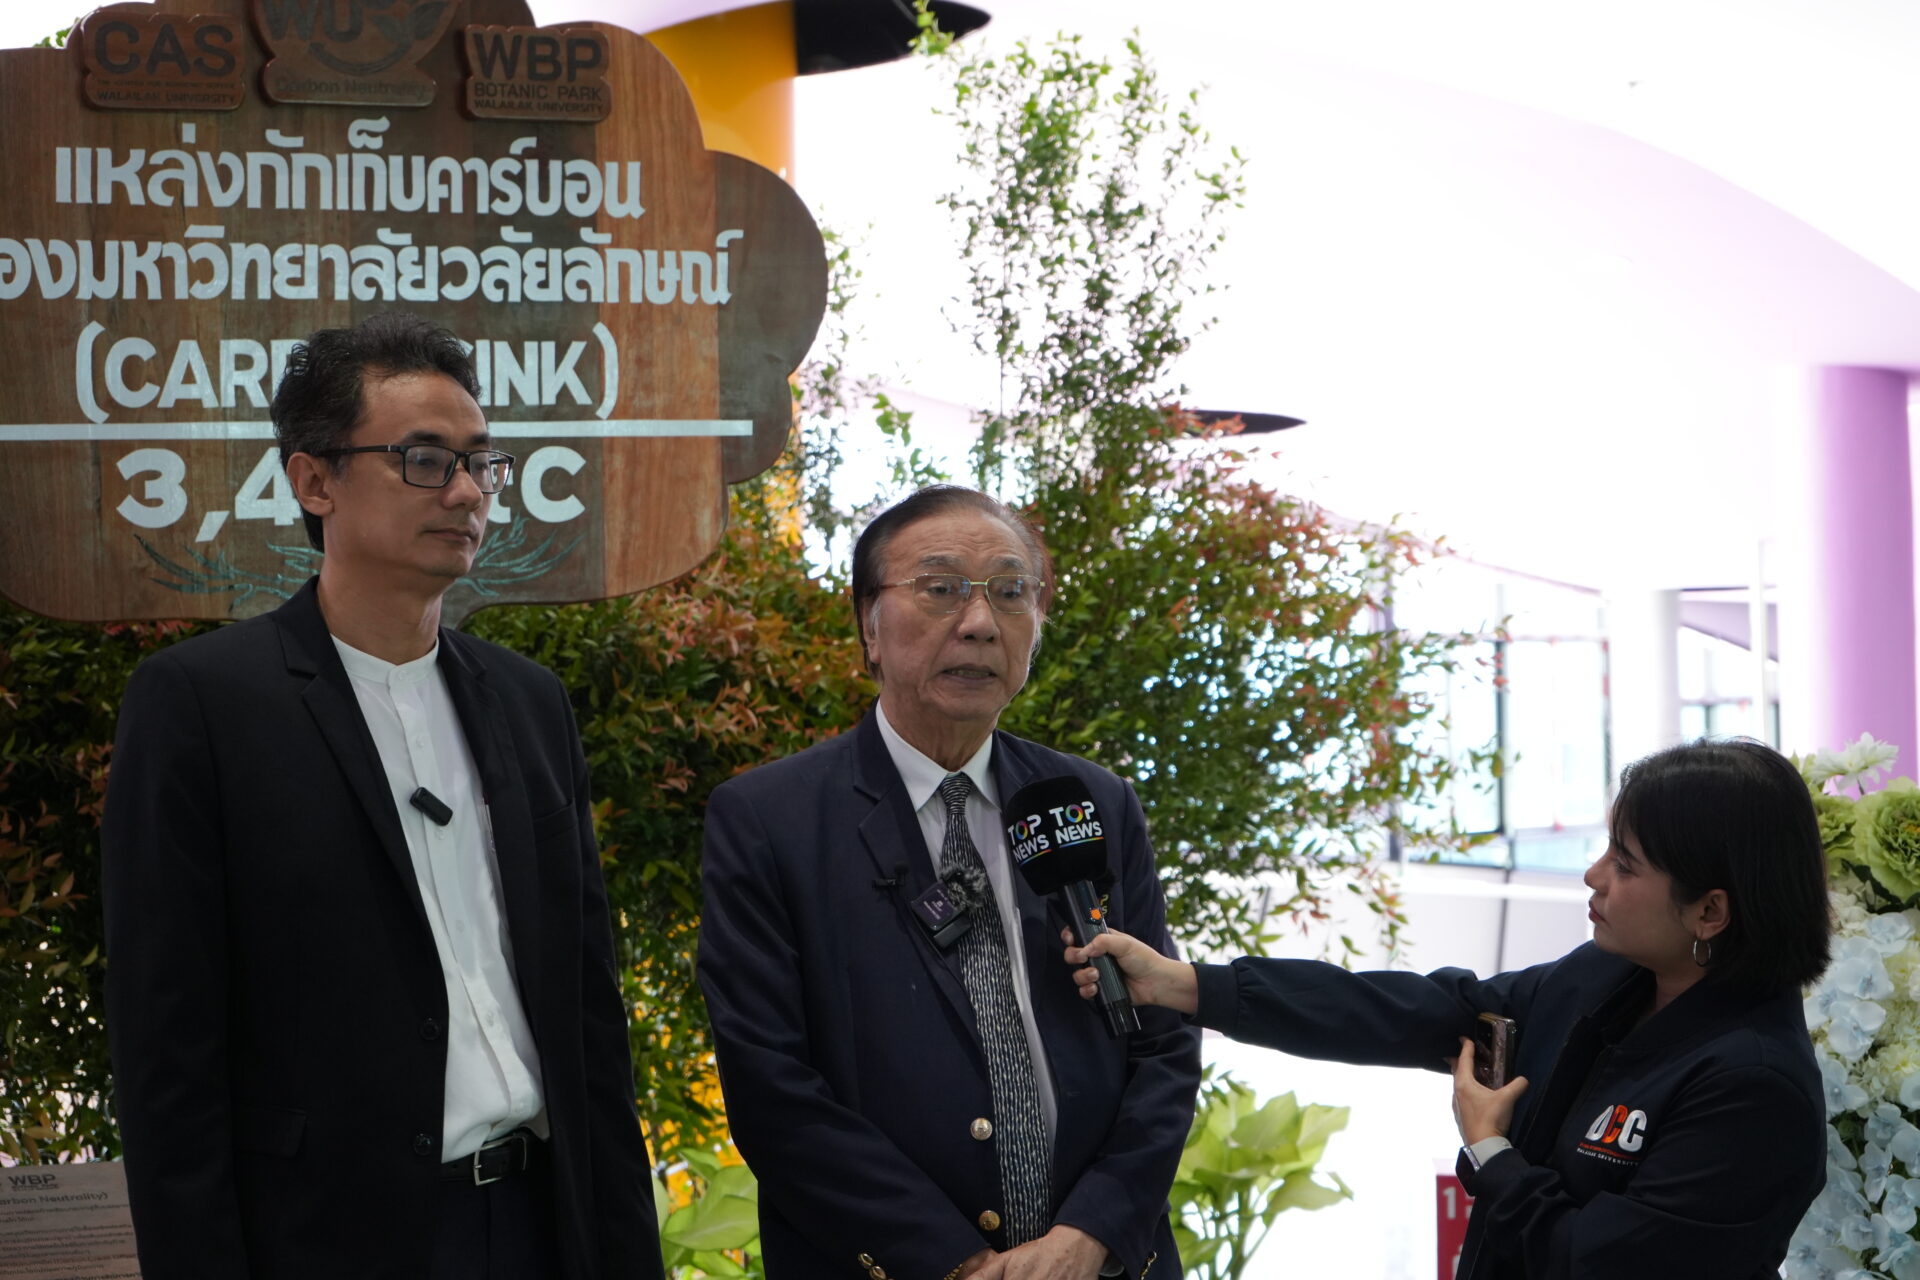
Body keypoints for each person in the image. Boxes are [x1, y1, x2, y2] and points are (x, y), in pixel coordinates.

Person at [103, 312, 663, 1280]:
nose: (466, 492)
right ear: (313, 481)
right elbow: (168, 1057)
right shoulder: (201, 703)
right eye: (424, 459)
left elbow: (587, 1020)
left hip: (540, 1221)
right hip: (333, 1239)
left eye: (481, 463)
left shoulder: (530, 703)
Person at [1067, 738, 1831, 1280]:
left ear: (1710, 912)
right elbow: (1422, 1012)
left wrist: (1491, 1152)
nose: (1593, 876)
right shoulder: (1605, 978)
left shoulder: (1753, 1087)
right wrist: (1187, 985)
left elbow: (1589, 1261)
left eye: (1625, 865)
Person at [698, 485, 1201, 1280]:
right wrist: (956, 1264)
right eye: (940, 588)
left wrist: (1090, 1233)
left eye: (1011, 592)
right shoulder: (770, 820)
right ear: (868, 626)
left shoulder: (1091, 804)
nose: (978, 622)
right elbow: (772, 1090)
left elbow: (1164, 1044)